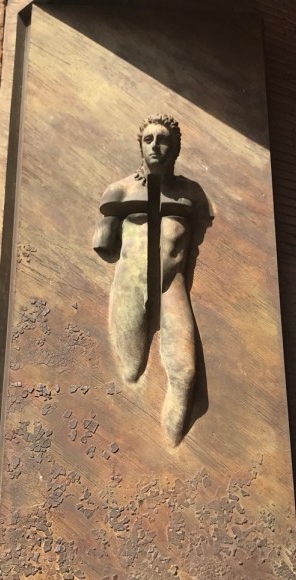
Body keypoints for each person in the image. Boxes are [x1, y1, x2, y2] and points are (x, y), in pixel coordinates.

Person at [93, 114, 211, 444]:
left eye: (163, 140)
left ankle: (172, 444)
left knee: (185, 373)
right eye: (149, 140)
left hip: (172, 286)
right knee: (130, 371)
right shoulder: (119, 191)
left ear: (175, 149)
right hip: (130, 284)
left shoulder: (190, 193)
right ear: (140, 146)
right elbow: (104, 245)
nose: (155, 146)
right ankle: (125, 442)